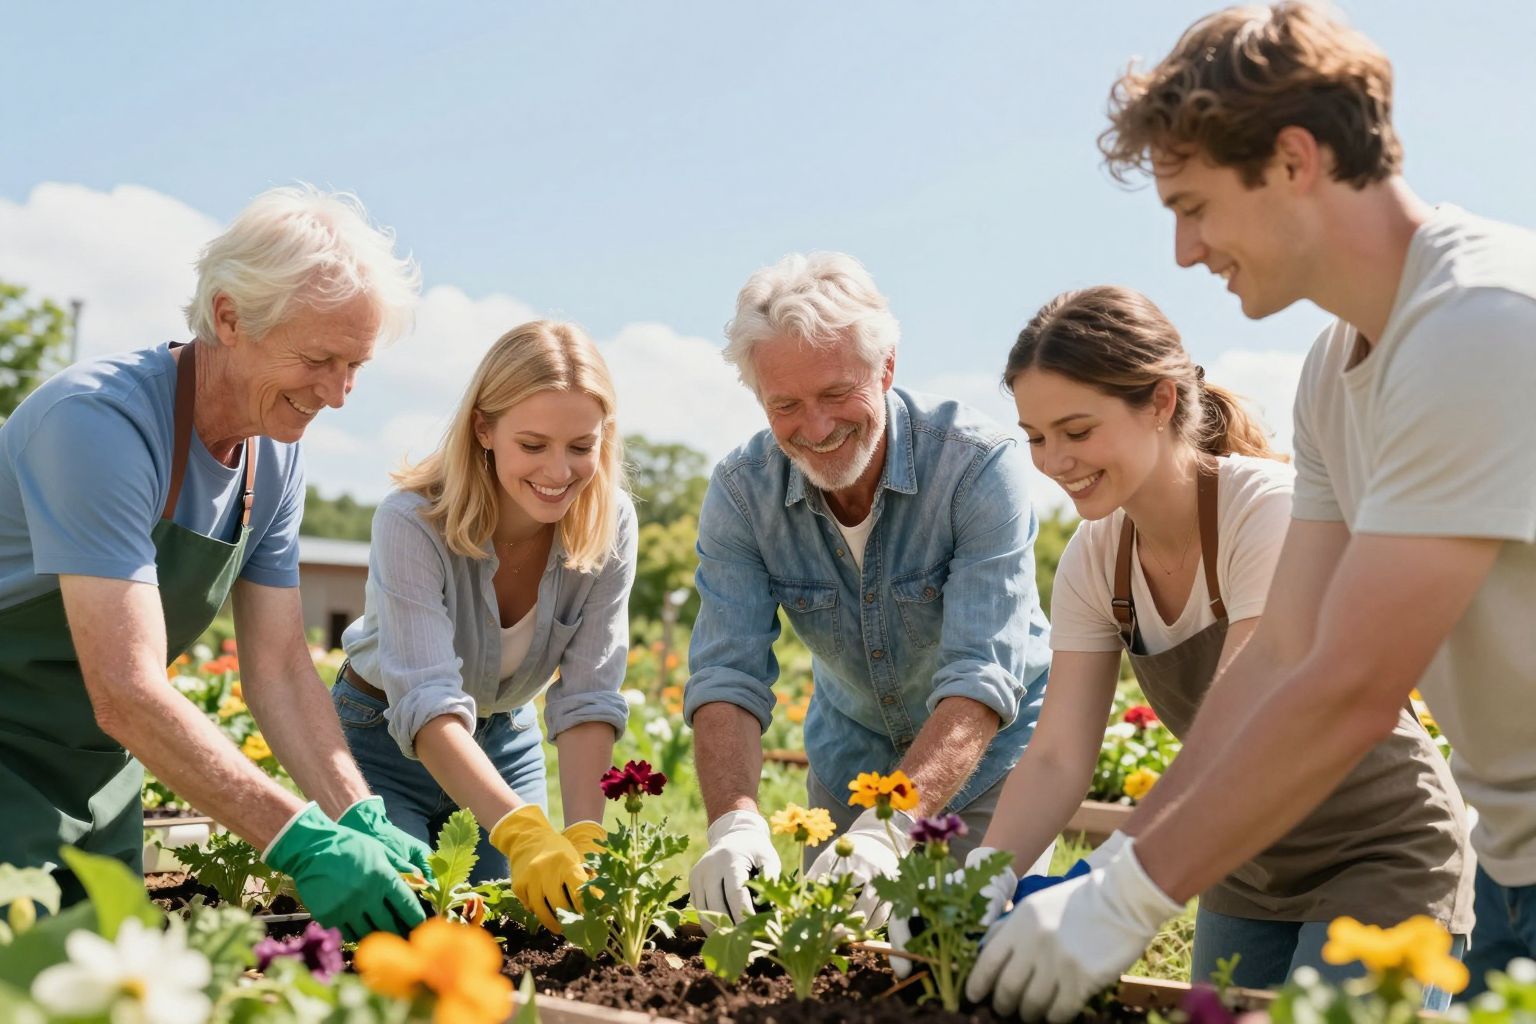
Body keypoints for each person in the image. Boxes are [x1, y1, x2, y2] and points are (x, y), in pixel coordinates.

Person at [966, 5, 1536, 1018]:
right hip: (1513, 857)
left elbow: (1356, 685)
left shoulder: (1479, 326)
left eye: (1194, 206)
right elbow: (1282, 658)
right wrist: (1115, 872)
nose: (1184, 252)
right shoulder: (1335, 369)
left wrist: (1130, 895)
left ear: (1292, 159)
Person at [900, 286, 1470, 997]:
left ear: (1162, 402)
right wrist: (984, 881)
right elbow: (1056, 757)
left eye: (1077, 431)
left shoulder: (1268, 511)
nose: (1053, 461)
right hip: (1242, 858)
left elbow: (1252, 722)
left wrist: (1113, 878)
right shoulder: (1094, 557)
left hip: (1381, 849)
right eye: (1036, 436)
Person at [0, 184, 430, 939]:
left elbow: (280, 671)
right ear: (229, 317)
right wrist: (300, 840)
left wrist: (353, 811)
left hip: (100, 771)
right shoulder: (98, 426)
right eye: (318, 359)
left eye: (355, 365)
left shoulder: (274, 457)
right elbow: (127, 690)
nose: (337, 394)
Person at [684, 251, 1053, 932]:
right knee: (836, 960)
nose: (816, 428)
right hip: (849, 759)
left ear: (886, 369)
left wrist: (892, 829)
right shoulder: (742, 493)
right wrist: (734, 822)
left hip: (988, 766)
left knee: (964, 962)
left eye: (835, 394)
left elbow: (982, 675)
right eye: (785, 405)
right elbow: (726, 673)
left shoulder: (976, 469)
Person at [335, 319, 635, 932]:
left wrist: (583, 837)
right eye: (533, 445)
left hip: (503, 740)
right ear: (484, 429)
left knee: (533, 928)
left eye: (582, 447)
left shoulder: (609, 522)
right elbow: (425, 699)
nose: (560, 471)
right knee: (404, 925)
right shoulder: (412, 521)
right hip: (380, 739)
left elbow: (587, 695)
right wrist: (523, 833)